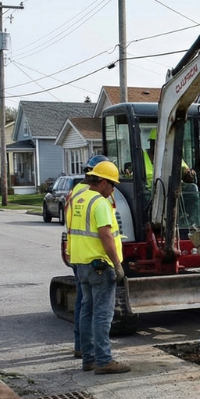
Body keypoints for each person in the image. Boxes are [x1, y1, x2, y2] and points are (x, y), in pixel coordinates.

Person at [66, 160, 130, 374]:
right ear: (102, 182)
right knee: (103, 315)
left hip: (82, 264)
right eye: (112, 184)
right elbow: (105, 236)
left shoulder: (79, 198)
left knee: (87, 311)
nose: (113, 189)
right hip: (100, 265)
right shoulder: (100, 203)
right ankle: (104, 361)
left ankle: (89, 359)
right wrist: (118, 265)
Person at [60, 155, 108, 360]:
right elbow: (104, 228)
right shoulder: (96, 194)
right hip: (95, 255)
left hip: (77, 253)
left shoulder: (74, 192)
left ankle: (82, 348)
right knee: (96, 309)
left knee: (83, 303)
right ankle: (97, 354)